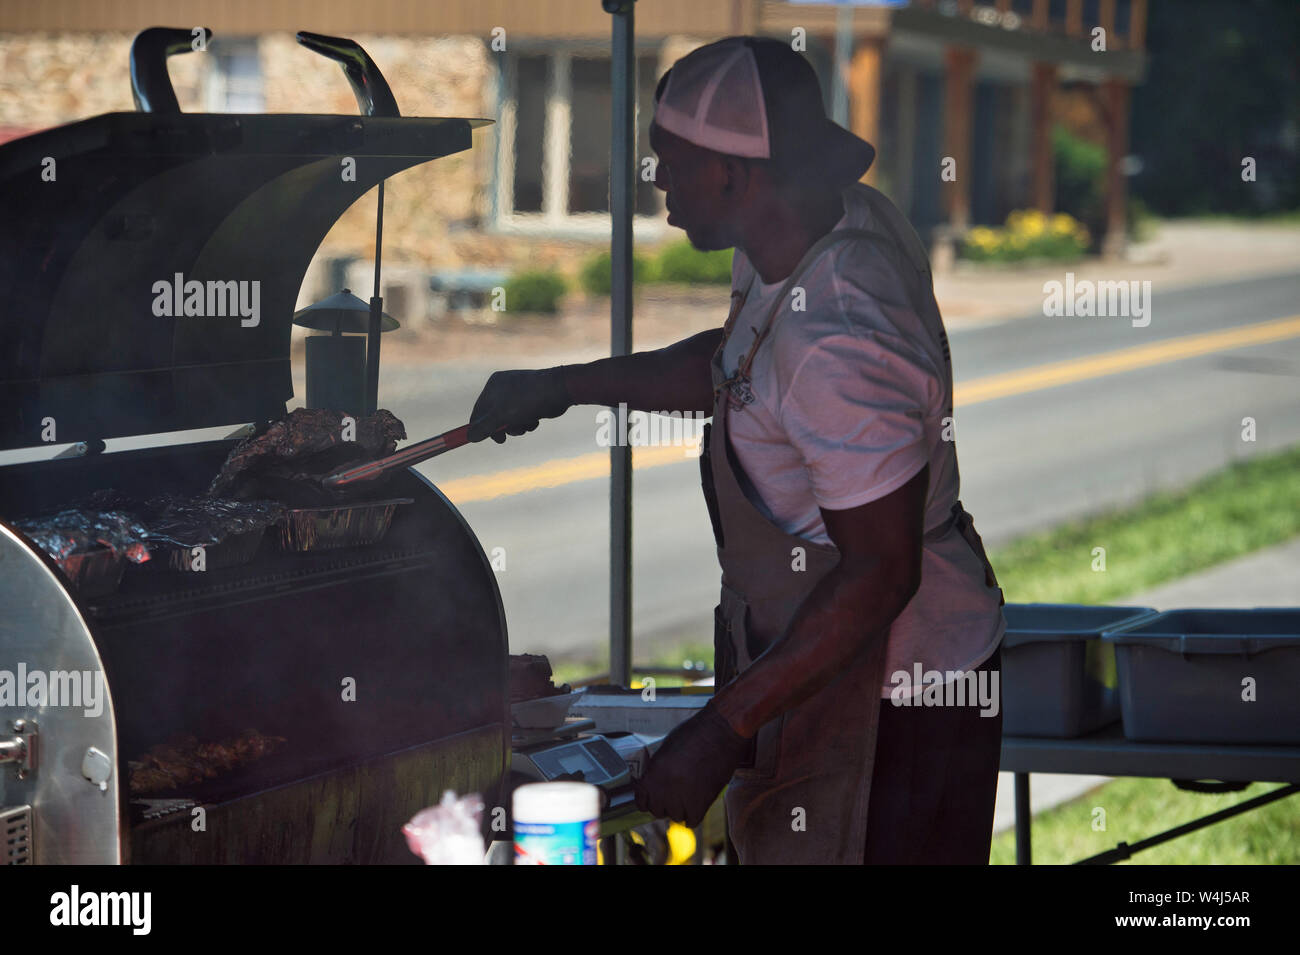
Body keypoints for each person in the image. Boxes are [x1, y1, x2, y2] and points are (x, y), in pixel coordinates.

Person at [468, 36, 1005, 865]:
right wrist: (566, 383)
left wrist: (720, 728)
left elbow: (880, 573)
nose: (657, 184)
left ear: (735, 171)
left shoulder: (839, 333)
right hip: (839, 670)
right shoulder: (802, 236)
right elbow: (738, 366)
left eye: (669, 162)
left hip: (899, 696)